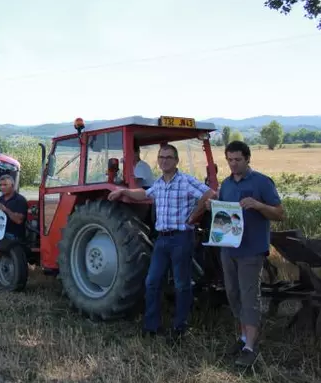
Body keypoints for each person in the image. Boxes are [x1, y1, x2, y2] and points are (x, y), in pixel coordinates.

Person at [108, 143, 216, 339]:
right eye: (161, 157)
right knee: (152, 282)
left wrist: (195, 215)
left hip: (181, 239)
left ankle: (180, 328)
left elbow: (209, 193)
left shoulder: (185, 181)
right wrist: (123, 192)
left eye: (168, 157)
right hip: (162, 240)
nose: (164, 160)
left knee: (182, 284)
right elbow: (144, 194)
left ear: (176, 161)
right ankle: (152, 326)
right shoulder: (159, 183)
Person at [216, 140, 284, 367]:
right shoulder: (225, 185)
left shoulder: (262, 183)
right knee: (233, 295)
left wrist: (258, 205)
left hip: (251, 250)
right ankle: (243, 336)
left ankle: (250, 347)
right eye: (230, 160)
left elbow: (280, 214)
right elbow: (224, 216)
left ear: (247, 159)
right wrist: (213, 210)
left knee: (249, 297)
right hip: (228, 248)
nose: (233, 164)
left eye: (238, 160)